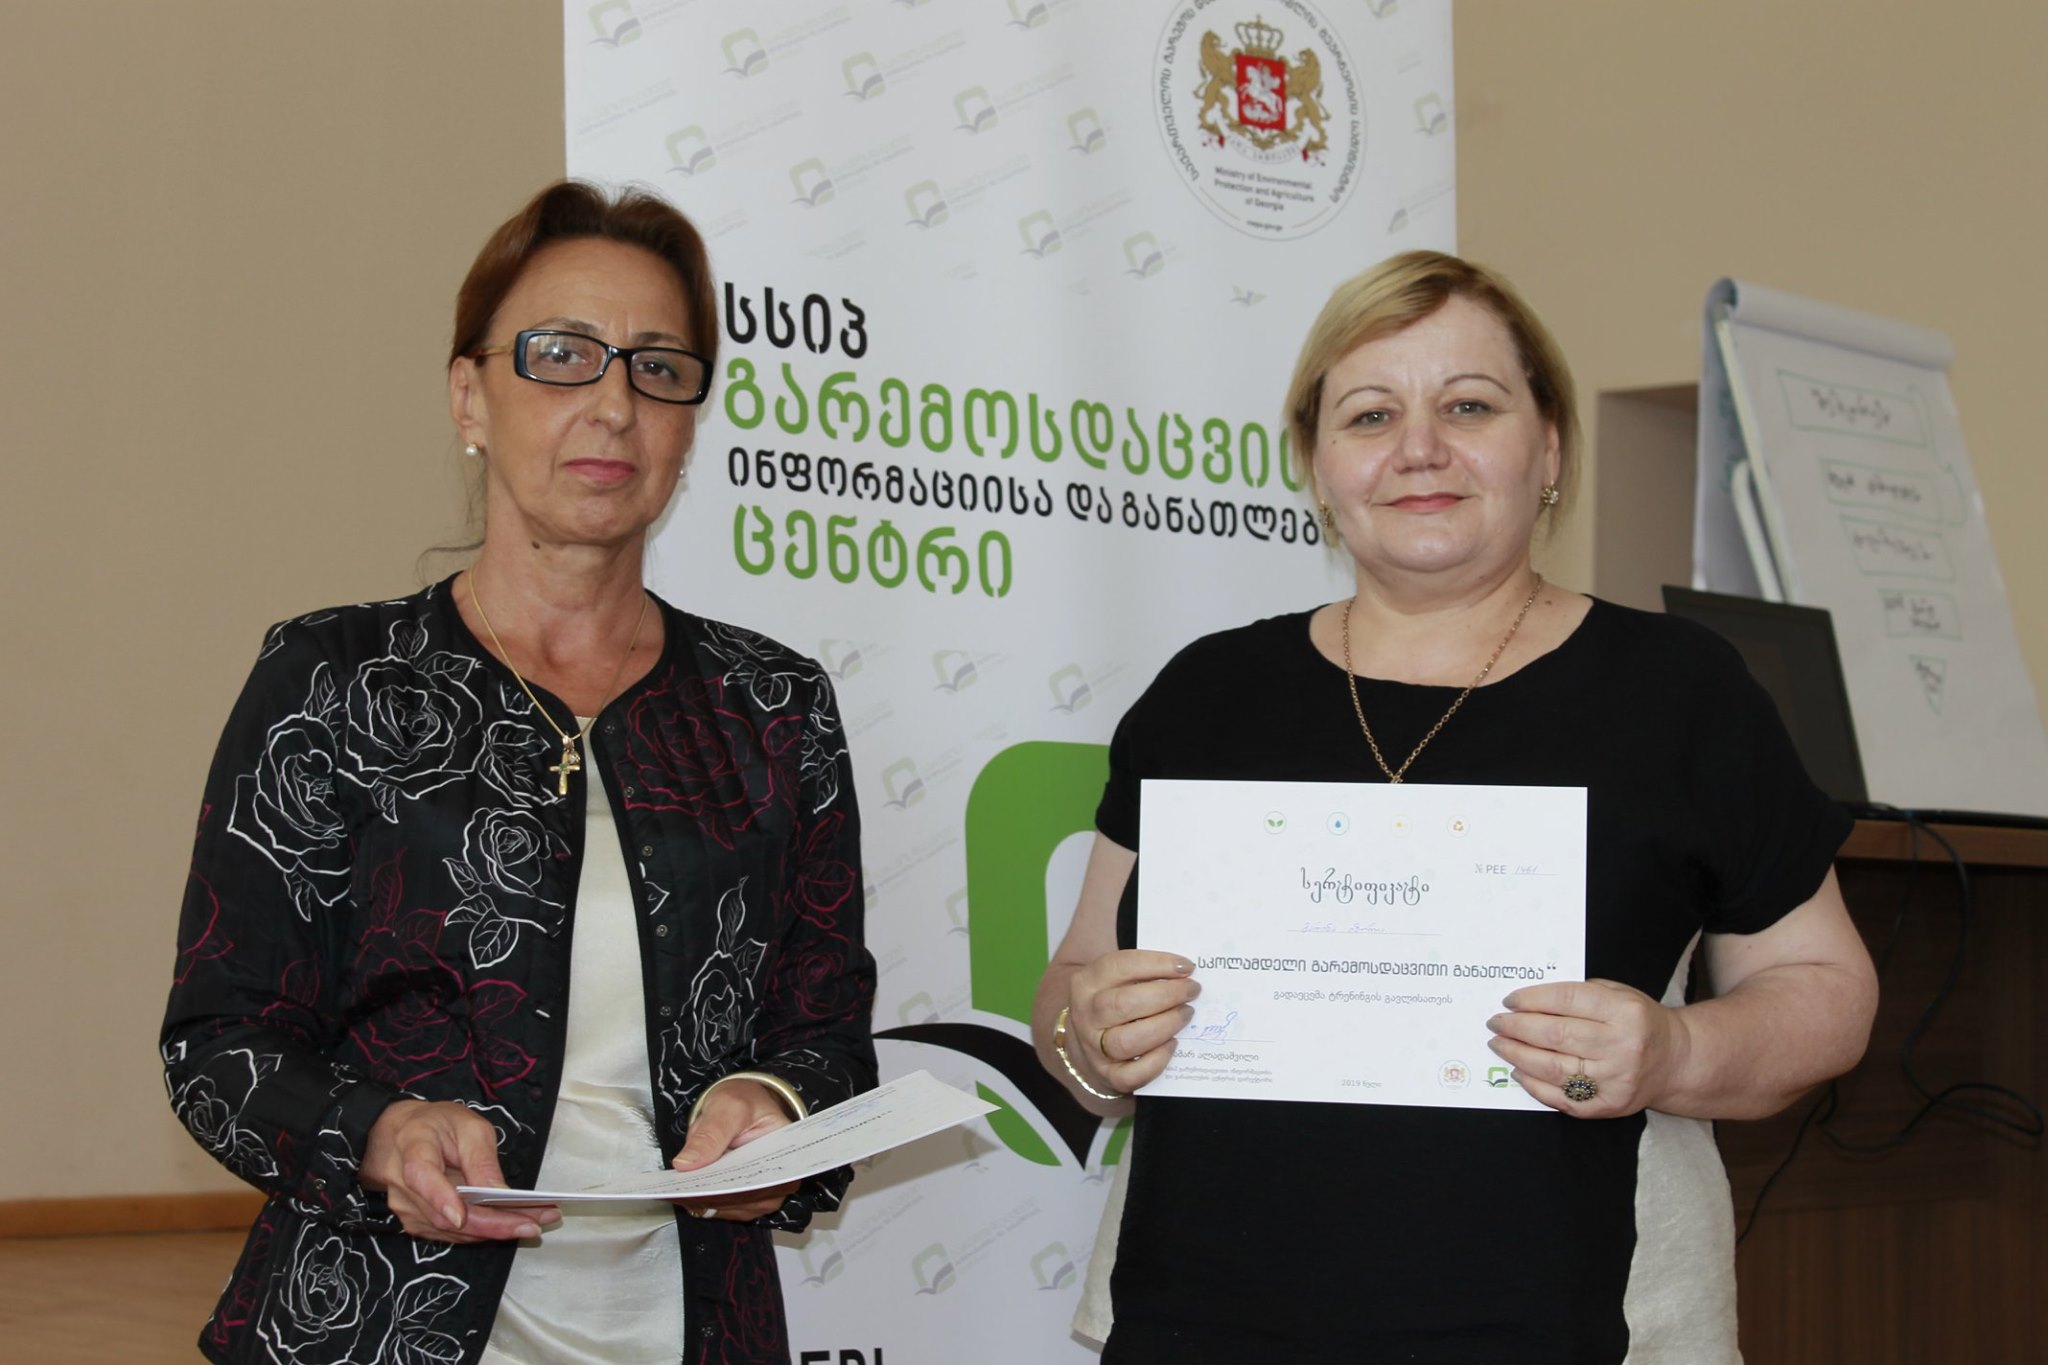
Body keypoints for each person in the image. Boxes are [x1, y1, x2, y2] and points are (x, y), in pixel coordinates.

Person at [1032, 250, 1879, 1363]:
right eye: (1369, 414)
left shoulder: (1680, 693)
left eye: (1468, 406)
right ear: (1316, 463)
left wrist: (1672, 1052)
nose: (1418, 448)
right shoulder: (1206, 695)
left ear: (1549, 447)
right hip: (1206, 1320)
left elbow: (1824, 991)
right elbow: (1072, 986)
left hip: (1583, 1325)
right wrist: (1091, 1042)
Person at [162, 181, 876, 1365]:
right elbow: (218, 1045)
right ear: (468, 396)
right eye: (561, 356)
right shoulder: (332, 678)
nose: (613, 404)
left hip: (698, 1328)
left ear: (690, 420)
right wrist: (378, 1130)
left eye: (657, 367)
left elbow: (826, 1031)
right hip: (375, 1325)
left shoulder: (771, 706)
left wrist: (781, 1106)